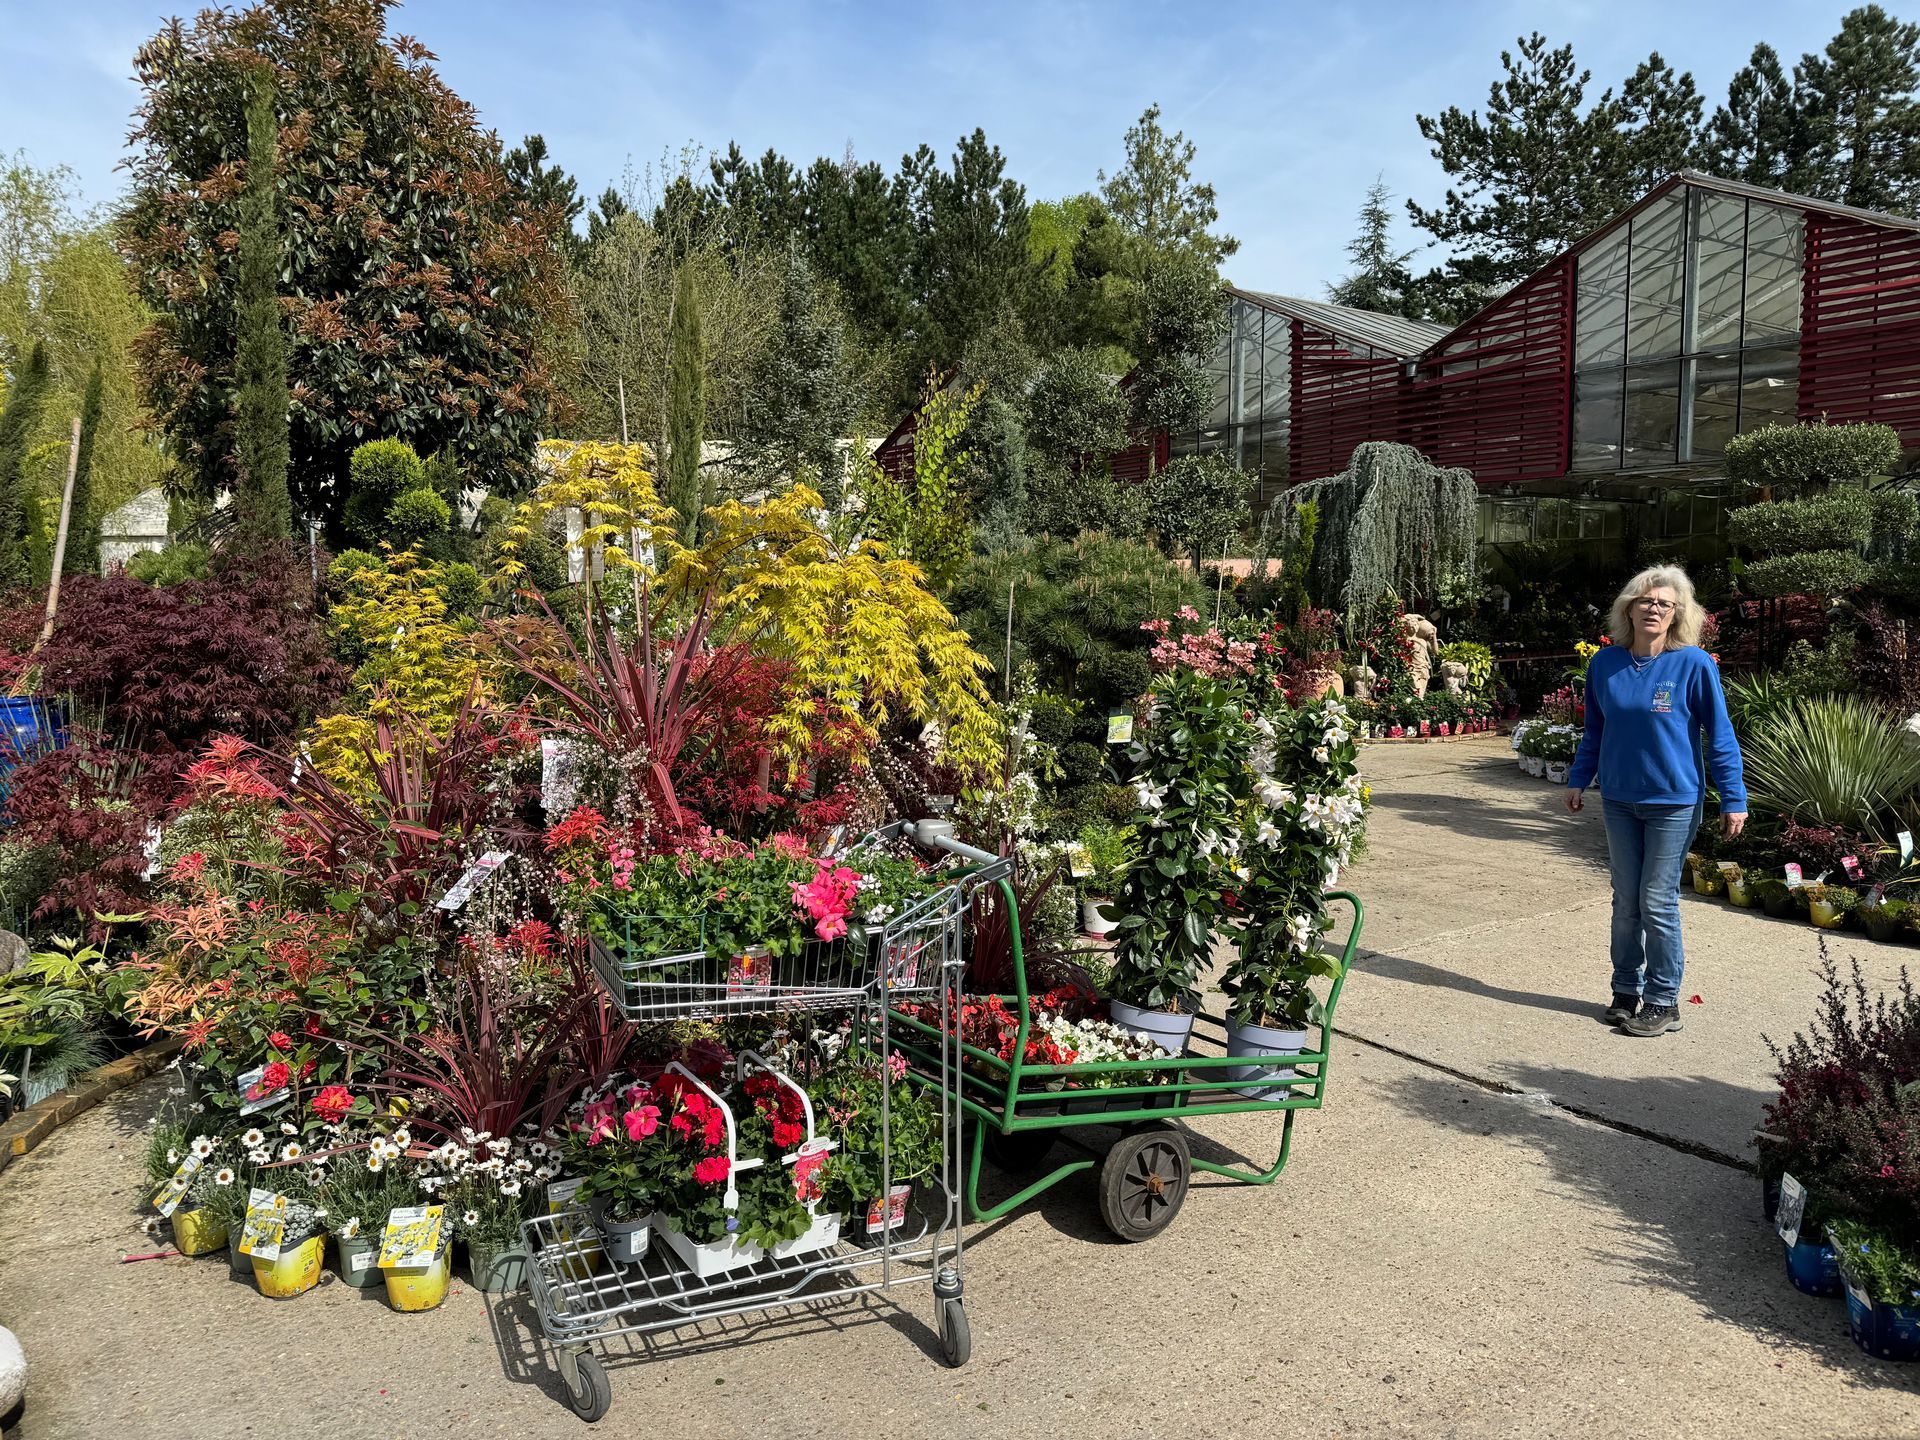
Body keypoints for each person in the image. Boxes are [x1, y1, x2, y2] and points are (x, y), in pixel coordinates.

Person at [1565, 565, 1746, 1037]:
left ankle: (1664, 1000)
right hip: (1619, 799)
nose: (1654, 608)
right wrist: (1579, 778)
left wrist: (1734, 797)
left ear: (1677, 614)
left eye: (1665, 603)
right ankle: (1626, 989)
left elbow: (1720, 736)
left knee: (1657, 901)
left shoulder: (1694, 664)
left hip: (1674, 801)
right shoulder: (1605, 664)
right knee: (1625, 899)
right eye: (1645, 601)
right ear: (1628, 609)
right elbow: (1595, 730)